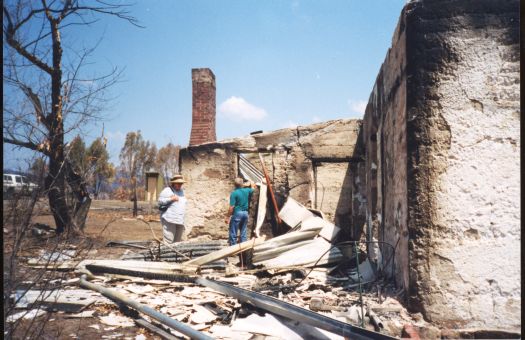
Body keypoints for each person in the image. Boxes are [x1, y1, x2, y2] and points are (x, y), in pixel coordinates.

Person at [225, 177, 256, 245]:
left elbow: (231, 207)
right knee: (243, 232)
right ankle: (244, 248)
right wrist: (250, 183)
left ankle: (233, 249)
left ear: (234, 184)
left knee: (233, 232)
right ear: (242, 184)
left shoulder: (234, 193)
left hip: (237, 213)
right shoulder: (247, 190)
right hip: (245, 213)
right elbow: (253, 187)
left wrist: (227, 217)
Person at [158, 175, 187, 243]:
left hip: (179, 220)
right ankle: (166, 253)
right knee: (169, 240)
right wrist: (171, 199)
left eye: (181, 183)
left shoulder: (181, 191)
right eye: (178, 183)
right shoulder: (167, 190)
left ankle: (174, 253)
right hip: (170, 219)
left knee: (177, 241)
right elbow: (160, 201)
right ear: (174, 183)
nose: (180, 185)